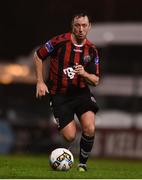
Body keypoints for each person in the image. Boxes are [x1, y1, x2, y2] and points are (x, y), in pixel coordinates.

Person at [34, 12, 100, 172]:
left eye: (84, 25)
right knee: (69, 136)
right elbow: (38, 55)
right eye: (77, 25)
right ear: (73, 27)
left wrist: (84, 74)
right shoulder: (59, 42)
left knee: (90, 128)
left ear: (89, 27)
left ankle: (82, 165)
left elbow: (96, 80)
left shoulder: (91, 50)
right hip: (60, 95)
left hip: (81, 94)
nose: (81, 29)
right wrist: (40, 81)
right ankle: (59, 155)